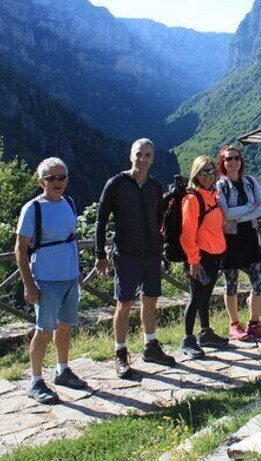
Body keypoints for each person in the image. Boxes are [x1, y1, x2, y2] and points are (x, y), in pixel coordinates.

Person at [94, 139, 175, 378]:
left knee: (150, 300)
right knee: (124, 303)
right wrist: (100, 254)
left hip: (151, 254)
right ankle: (120, 352)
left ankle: (150, 345)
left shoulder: (154, 186)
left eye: (148, 155)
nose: (143, 159)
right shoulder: (117, 184)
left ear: (153, 158)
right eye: (139, 154)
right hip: (126, 254)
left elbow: (160, 217)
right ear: (131, 156)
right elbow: (101, 219)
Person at [15, 157, 86, 404]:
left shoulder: (68, 203)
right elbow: (20, 248)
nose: (57, 182)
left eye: (62, 177)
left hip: (69, 276)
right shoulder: (32, 209)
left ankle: (62, 370)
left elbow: (72, 238)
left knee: (65, 326)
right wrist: (29, 284)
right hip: (46, 278)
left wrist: (78, 271)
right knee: (44, 330)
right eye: (51, 178)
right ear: (41, 182)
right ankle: (35, 381)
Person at [216, 146, 261, 341]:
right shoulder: (220, 186)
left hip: (249, 237)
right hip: (230, 239)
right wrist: (250, 208)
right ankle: (234, 324)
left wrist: (241, 214)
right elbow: (226, 214)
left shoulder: (250, 181)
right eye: (228, 159)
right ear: (223, 163)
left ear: (241, 161)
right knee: (231, 283)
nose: (233, 162)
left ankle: (254, 323)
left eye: (236, 158)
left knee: (259, 279)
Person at [179, 156, 229, 359]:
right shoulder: (192, 200)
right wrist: (193, 261)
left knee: (205, 296)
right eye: (203, 172)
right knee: (196, 298)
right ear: (195, 174)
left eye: (210, 171)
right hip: (200, 257)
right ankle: (187, 339)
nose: (208, 175)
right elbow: (186, 234)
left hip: (214, 255)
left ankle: (206, 333)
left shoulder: (212, 195)